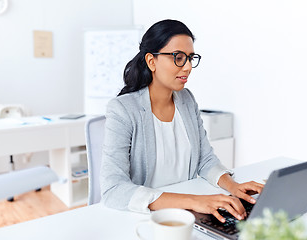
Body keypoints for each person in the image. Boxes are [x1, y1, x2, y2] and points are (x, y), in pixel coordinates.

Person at [100, 19, 264, 223]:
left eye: (190, 58)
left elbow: (205, 160)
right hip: (145, 218)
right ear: (151, 61)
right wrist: (193, 201)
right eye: (178, 57)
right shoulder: (123, 109)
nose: (187, 67)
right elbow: (113, 188)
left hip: (187, 214)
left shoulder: (186, 100)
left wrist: (232, 186)